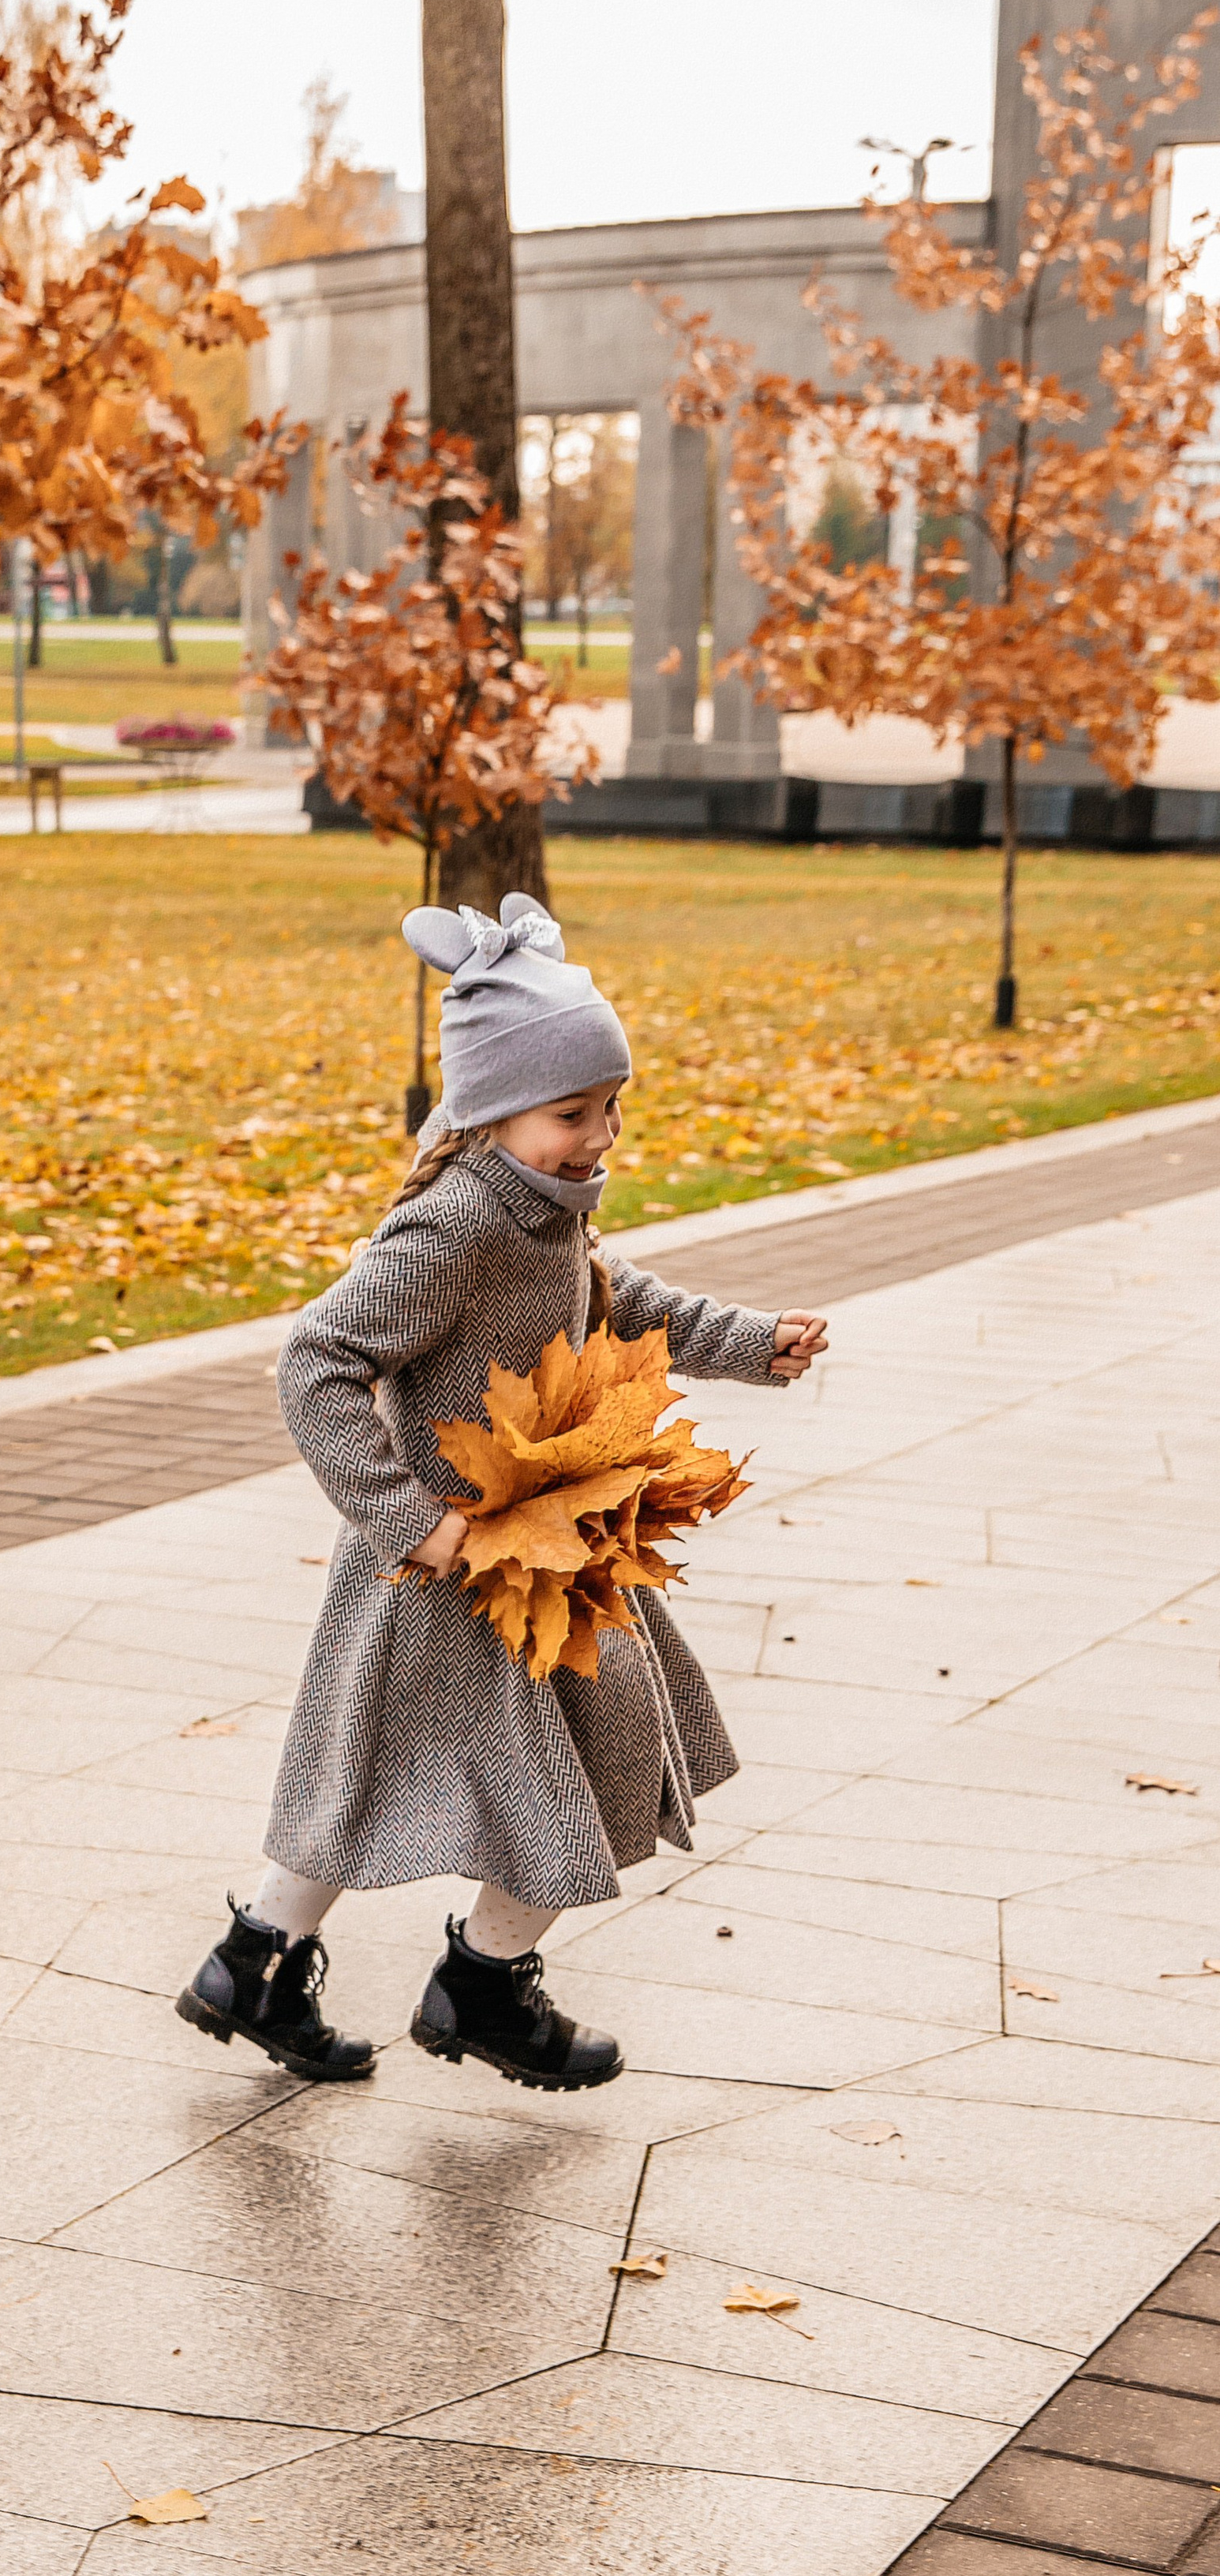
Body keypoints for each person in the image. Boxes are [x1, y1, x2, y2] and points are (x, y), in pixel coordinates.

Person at [178, 892, 829, 2092]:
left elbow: (615, 1303)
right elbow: (315, 1362)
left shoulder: (538, 1213)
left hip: (532, 1558)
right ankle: (471, 1986)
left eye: (611, 1109)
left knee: (422, 1762)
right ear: (488, 1112)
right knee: (512, 1759)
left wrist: (748, 1342)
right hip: (450, 1565)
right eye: (573, 1113)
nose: (601, 1137)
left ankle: (265, 1966)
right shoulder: (459, 1228)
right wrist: (411, 1519)